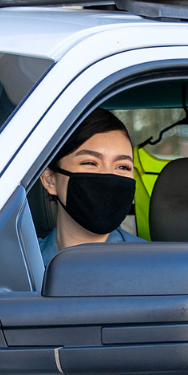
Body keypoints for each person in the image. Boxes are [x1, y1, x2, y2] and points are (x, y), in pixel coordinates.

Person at [36, 109, 140, 264]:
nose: (108, 176)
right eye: (90, 163)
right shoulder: (17, 269)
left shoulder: (158, 267)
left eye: (122, 167)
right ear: (50, 179)